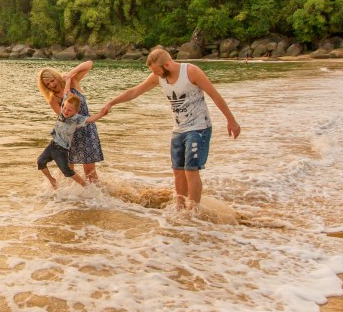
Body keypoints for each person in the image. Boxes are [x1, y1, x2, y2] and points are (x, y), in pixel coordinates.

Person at [101, 47, 240, 209]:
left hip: (199, 128)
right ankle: (180, 207)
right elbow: (135, 91)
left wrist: (231, 121)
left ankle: (193, 211)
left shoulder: (191, 72)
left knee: (191, 170)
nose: (156, 74)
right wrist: (111, 103)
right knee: (178, 171)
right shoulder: (158, 77)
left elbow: (214, 95)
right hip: (179, 129)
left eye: (157, 71)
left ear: (167, 64)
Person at [37, 61, 104, 182]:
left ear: (56, 77)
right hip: (70, 135)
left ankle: (97, 193)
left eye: (52, 80)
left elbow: (89, 64)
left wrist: (69, 75)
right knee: (68, 172)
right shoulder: (53, 99)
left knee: (90, 172)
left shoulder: (73, 82)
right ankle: (69, 193)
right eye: (47, 85)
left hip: (88, 130)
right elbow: (64, 118)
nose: (51, 85)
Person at [37, 91, 105, 189]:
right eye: (64, 108)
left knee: (67, 171)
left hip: (62, 150)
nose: (65, 111)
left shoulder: (77, 119)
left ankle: (85, 186)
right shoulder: (62, 111)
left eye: (69, 110)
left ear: (76, 112)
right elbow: (66, 92)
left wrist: (101, 114)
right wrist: (68, 82)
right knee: (40, 162)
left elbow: (90, 119)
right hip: (52, 145)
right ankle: (52, 180)